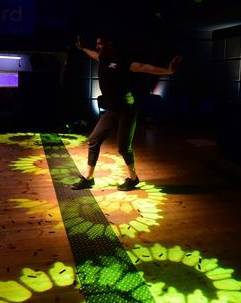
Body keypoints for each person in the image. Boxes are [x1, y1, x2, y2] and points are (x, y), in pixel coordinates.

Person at [72, 33, 182, 191]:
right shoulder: (102, 59)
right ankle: (88, 178)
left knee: (123, 147)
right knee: (94, 139)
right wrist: (83, 48)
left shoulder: (122, 61)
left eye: (100, 43)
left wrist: (168, 71)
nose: (97, 46)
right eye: (97, 43)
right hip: (112, 110)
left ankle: (133, 178)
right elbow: (93, 54)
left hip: (126, 109)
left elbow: (144, 67)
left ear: (110, 44)